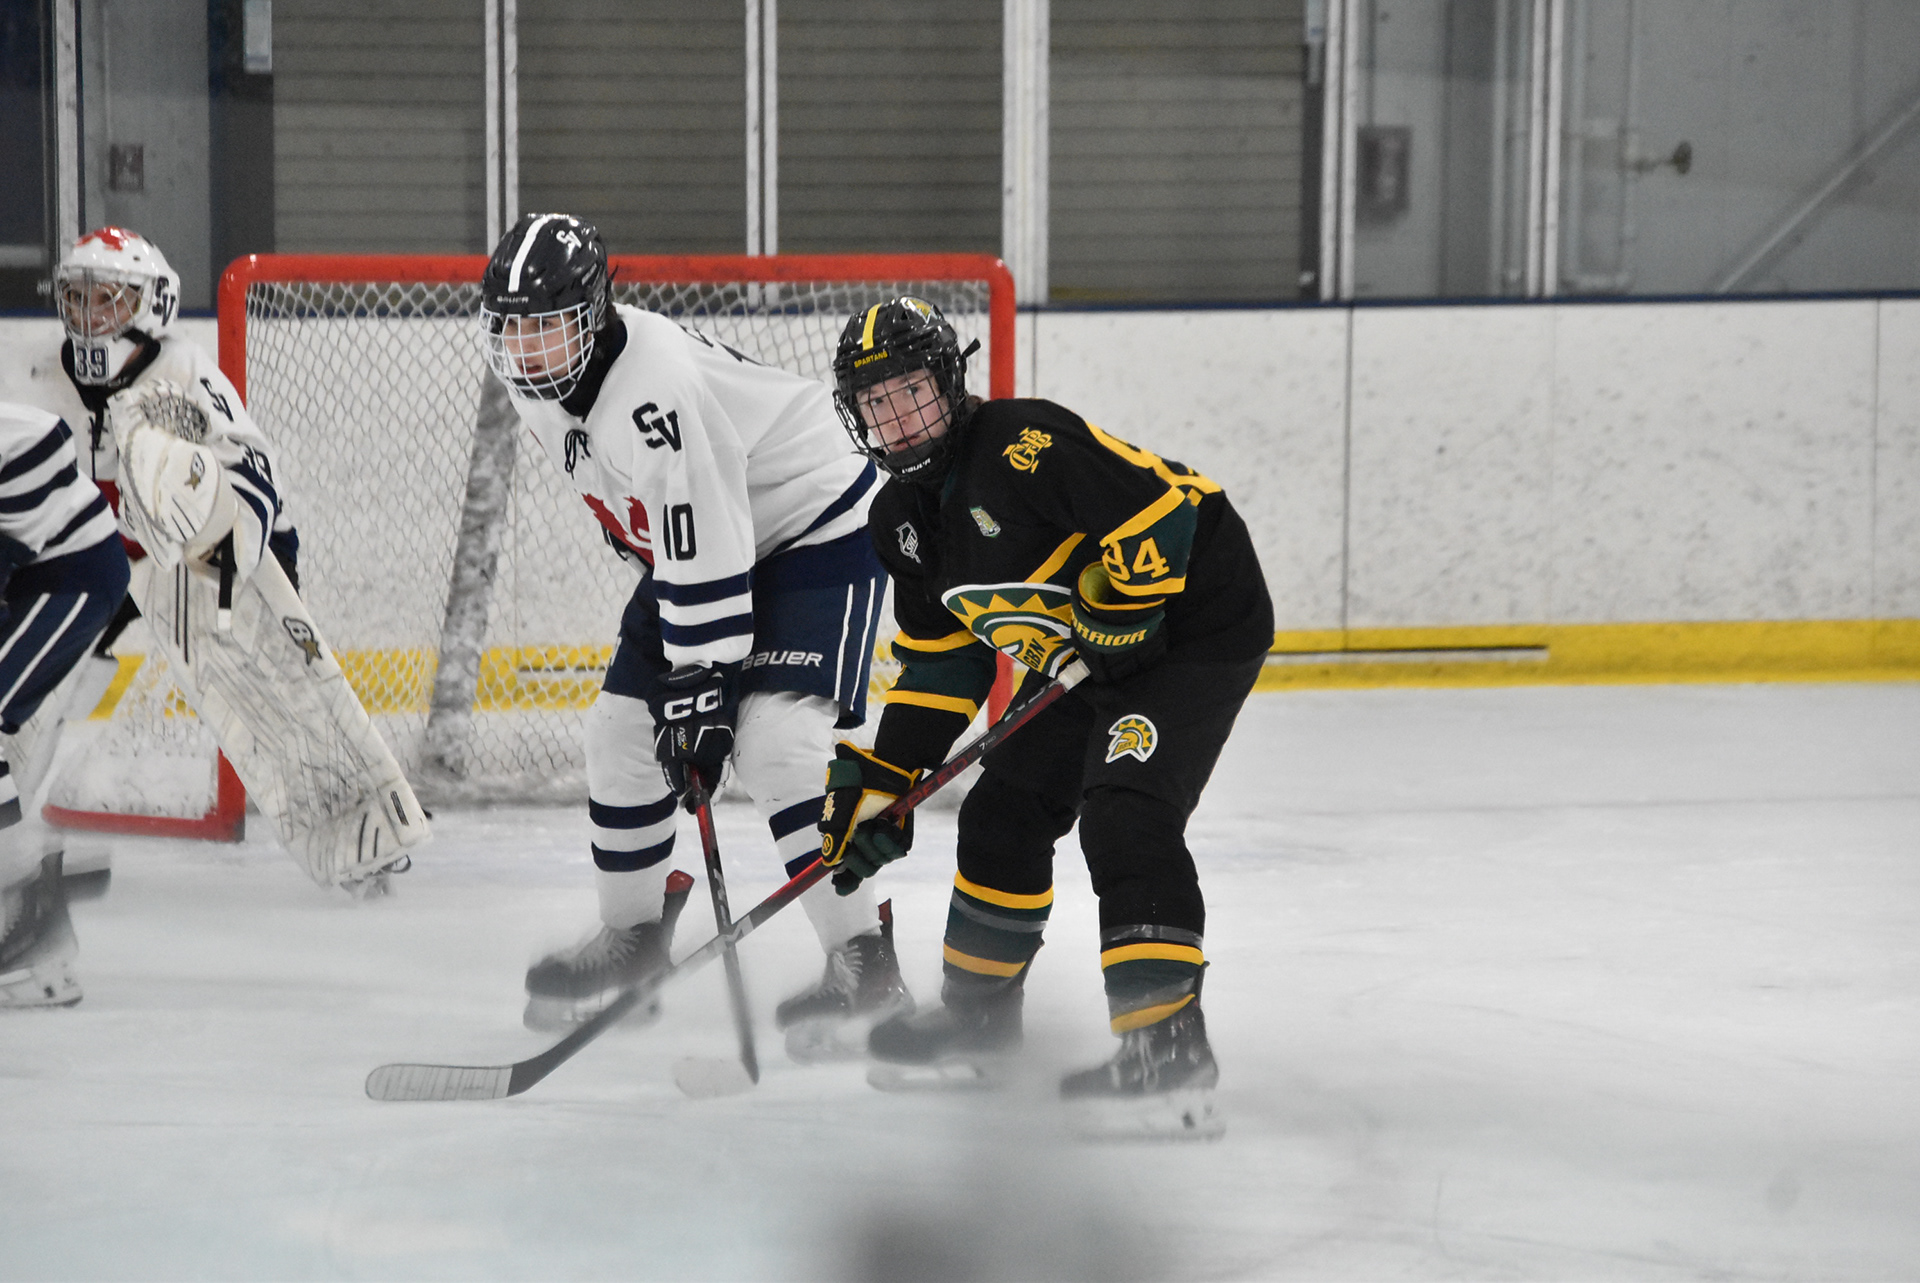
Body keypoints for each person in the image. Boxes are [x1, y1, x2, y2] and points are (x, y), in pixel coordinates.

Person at [814, 296, 1274, 1114]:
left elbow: (1166, 510)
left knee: (1125, 811)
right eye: (876, 402)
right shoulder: (899, 522)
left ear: (948, 382)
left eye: (912, 390)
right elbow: (942, 662)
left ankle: (1167, 1048)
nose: (899, 417)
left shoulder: (1023, 444)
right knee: (1002, 813)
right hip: (1084, 655)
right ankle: (979, 1023)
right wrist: (889, 775)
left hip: (1196, 621)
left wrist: (1127, 603)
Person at [478, 213, 910, 1048]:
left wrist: (703, 679)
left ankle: (864, 960)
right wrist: (685, 682)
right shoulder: (540, 389)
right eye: (513, 330)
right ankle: (632, 941)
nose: (526, 351)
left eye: (546, 327)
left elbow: (706, 525)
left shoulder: (655, 389)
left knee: (775, 740)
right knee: (620, 732)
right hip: (710, 540)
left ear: (593, 315)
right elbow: (670, 522)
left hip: (816, 524)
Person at [0, 399, 132, 1007]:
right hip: (47, 574)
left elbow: (46, 434)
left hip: (73, 576)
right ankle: (25, 894)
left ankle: (25, 904)